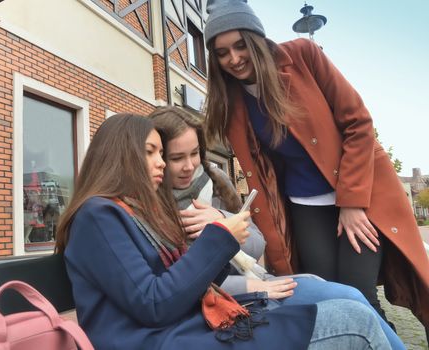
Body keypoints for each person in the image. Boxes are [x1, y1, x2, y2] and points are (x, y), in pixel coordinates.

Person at [56, 113, 391, 349]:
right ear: (119, 156)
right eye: (151, 153)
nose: (161, 163)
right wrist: (221, 237)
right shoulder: (97, 215)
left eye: (162, 153)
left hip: (189, 328)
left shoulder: (130, 212)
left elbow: (178, 285)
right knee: (353, 320)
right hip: (166, 338)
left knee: (351, 311)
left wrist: (223, 241)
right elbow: (154, 303)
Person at [202, 0, 429, 332]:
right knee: (325, 292)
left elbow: (358, 123)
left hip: (359, 195)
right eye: (222, 53)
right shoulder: (232, 101)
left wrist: (352, 203)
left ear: (257, 39)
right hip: (305, 205)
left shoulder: (303, 56)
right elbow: (261, 175)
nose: (234, 58)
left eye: (241, 45)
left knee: (358, 294)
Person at [150, 105, 404, 349]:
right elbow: (173, 286)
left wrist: (221, 219)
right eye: (176, 158)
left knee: (353, 297)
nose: (189, 166)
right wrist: (253, 287)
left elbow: (257, 244)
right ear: (158, 158)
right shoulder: (149, 206)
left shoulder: (217, 181)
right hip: (233, 299)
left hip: (263, 282)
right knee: (352, 315)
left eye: (194, 154)